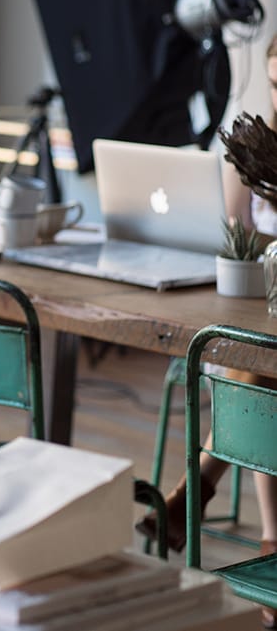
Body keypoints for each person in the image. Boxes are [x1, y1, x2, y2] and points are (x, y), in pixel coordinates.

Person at [136, 32, 277, 629]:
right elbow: (239, 241)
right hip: (264, 312)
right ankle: (271, 540)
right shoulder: (259, 147)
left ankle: (198, 493)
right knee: (256, 361)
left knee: (258, 366)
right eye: (275, 84)